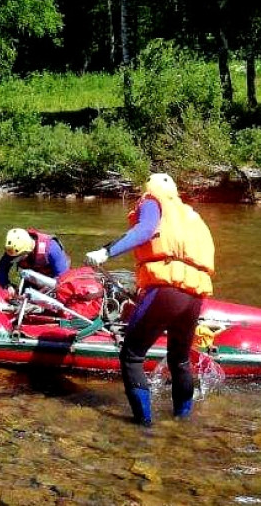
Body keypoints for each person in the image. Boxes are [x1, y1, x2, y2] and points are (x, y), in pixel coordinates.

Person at [85, 173, 215, 426]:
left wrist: (105, 252)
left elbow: (145, 231)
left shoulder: (152, 202)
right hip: (194, 295)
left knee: (131, 356)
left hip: (166, 290)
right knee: (180, 360)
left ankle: (143, 426)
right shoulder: (191, 215)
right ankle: (182, 421)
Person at [0, 227, 70, 290]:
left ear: (27, 251)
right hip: (31, 277)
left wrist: (45, 291)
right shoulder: (13, 250)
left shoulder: (52, 249)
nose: (14, 259)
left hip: (53, 278)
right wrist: (7, 286)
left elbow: (63, 278)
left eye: (18, 257)